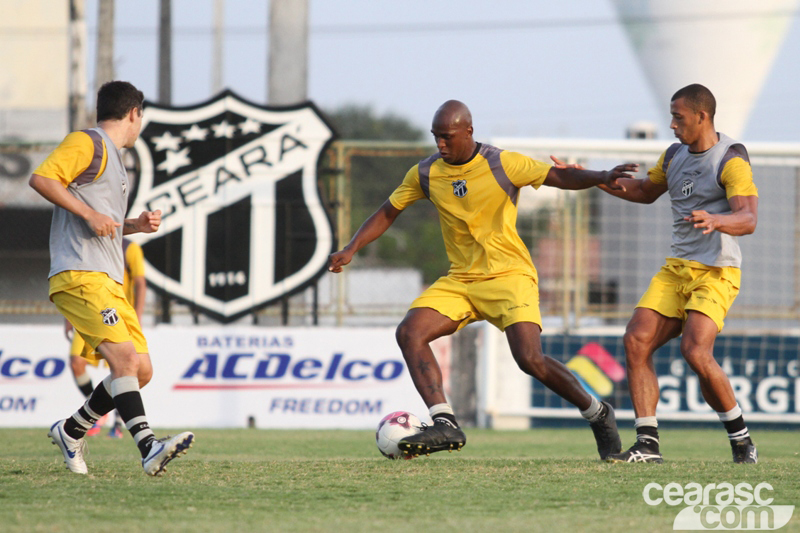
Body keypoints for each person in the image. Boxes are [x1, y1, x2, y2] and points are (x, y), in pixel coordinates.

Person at [328, 100, 638, 459]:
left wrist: (600, 176)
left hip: (510, 276)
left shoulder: (502, 163)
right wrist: (351, 248)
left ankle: (598, 413)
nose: (440, 145)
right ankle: (445, 422)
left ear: (468, 132)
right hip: (461, 280)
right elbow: (388, 210)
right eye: (436, 138)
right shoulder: (426, 172)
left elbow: (559, 176)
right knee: (409, 332)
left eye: (447, 137)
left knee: (529, 359)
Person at [29, 80, 194, 475]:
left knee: (140, 369)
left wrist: (132, 225)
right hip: (81, 273)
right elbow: (42, 179)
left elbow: (103, 223)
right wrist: (89, 215)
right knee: (123, 361)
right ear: (134, 113)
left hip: (107, 279)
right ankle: (149, 447)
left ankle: (71, 431)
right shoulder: (89, 142)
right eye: (141, 118)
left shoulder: (116, 160)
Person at [597, 84, 759, 464]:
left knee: (695, 350)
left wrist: (717, 219)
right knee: (636, 340)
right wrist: (592, 177)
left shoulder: (731, 158)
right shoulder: (673, 156)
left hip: (716, 271)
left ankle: (741, 441)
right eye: (671, 116)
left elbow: (748, 218)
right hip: (676, 270)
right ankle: (647, 444)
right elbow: (643, 191)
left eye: (678, 117)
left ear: (702, 117)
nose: (671, 125)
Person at [65, 238, 147, 438]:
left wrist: (137, 316)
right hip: (90, 310)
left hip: (118, 315)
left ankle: (117, 425)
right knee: (76, 362)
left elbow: (140, 284)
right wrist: (69, 315)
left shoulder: (130, 248)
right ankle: (94, 412)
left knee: (122, 367)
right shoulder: (88, 242)